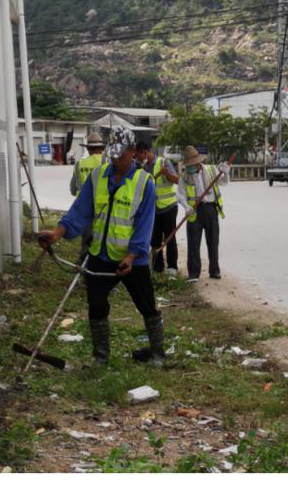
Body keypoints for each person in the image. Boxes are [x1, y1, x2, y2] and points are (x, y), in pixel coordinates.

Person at [36, 128, 164, 367]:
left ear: (133, 151)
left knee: (146, 305)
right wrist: (56, 233)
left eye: (121, 155)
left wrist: (132, 254)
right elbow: (79, 211)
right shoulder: (98, 177)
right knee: (96, 304)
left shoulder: (144, 182)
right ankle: (100, 357)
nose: (116, 160)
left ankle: (157, 353)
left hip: (131, 259)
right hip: (100, 255)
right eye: (112, 155)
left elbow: (145, 224)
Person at [181, 145, 226, 281]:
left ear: (198, 162)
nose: (190, 167)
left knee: (213, 241)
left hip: (211, 209)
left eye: (192, 164)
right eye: (188, 165)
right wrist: (186, 207)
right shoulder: (185, 175)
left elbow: (224, 182)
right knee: (193, 243)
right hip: (194, 211)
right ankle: (193, 273)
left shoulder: (211, 170)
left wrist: (226, 172)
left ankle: (214, 271)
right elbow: (180, 194)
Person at [140, 143, 182, 278]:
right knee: (155, 240)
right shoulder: (145, 168)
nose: (139, 159)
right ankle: (157, 268)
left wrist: (167, 173)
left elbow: (177, 180)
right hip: (154, 209)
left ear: (145, 152)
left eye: (140, 156)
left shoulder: (164, 162)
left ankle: (172, 268)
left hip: (169, 207)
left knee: (170, 238)